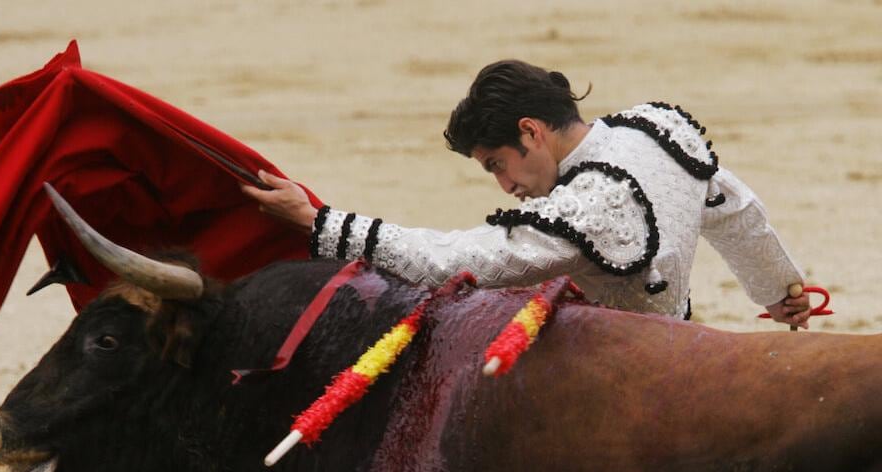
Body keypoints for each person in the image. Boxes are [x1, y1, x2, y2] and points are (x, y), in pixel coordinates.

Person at [240, 60, 811, 327]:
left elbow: (458, 262)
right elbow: (735, 210)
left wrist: (321, 222)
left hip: (614, 382)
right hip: (685, 347)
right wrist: (779, 289)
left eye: (497, 164)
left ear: (531, 132)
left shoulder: (587, 206)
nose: (506, 186)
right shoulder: (656, 128)